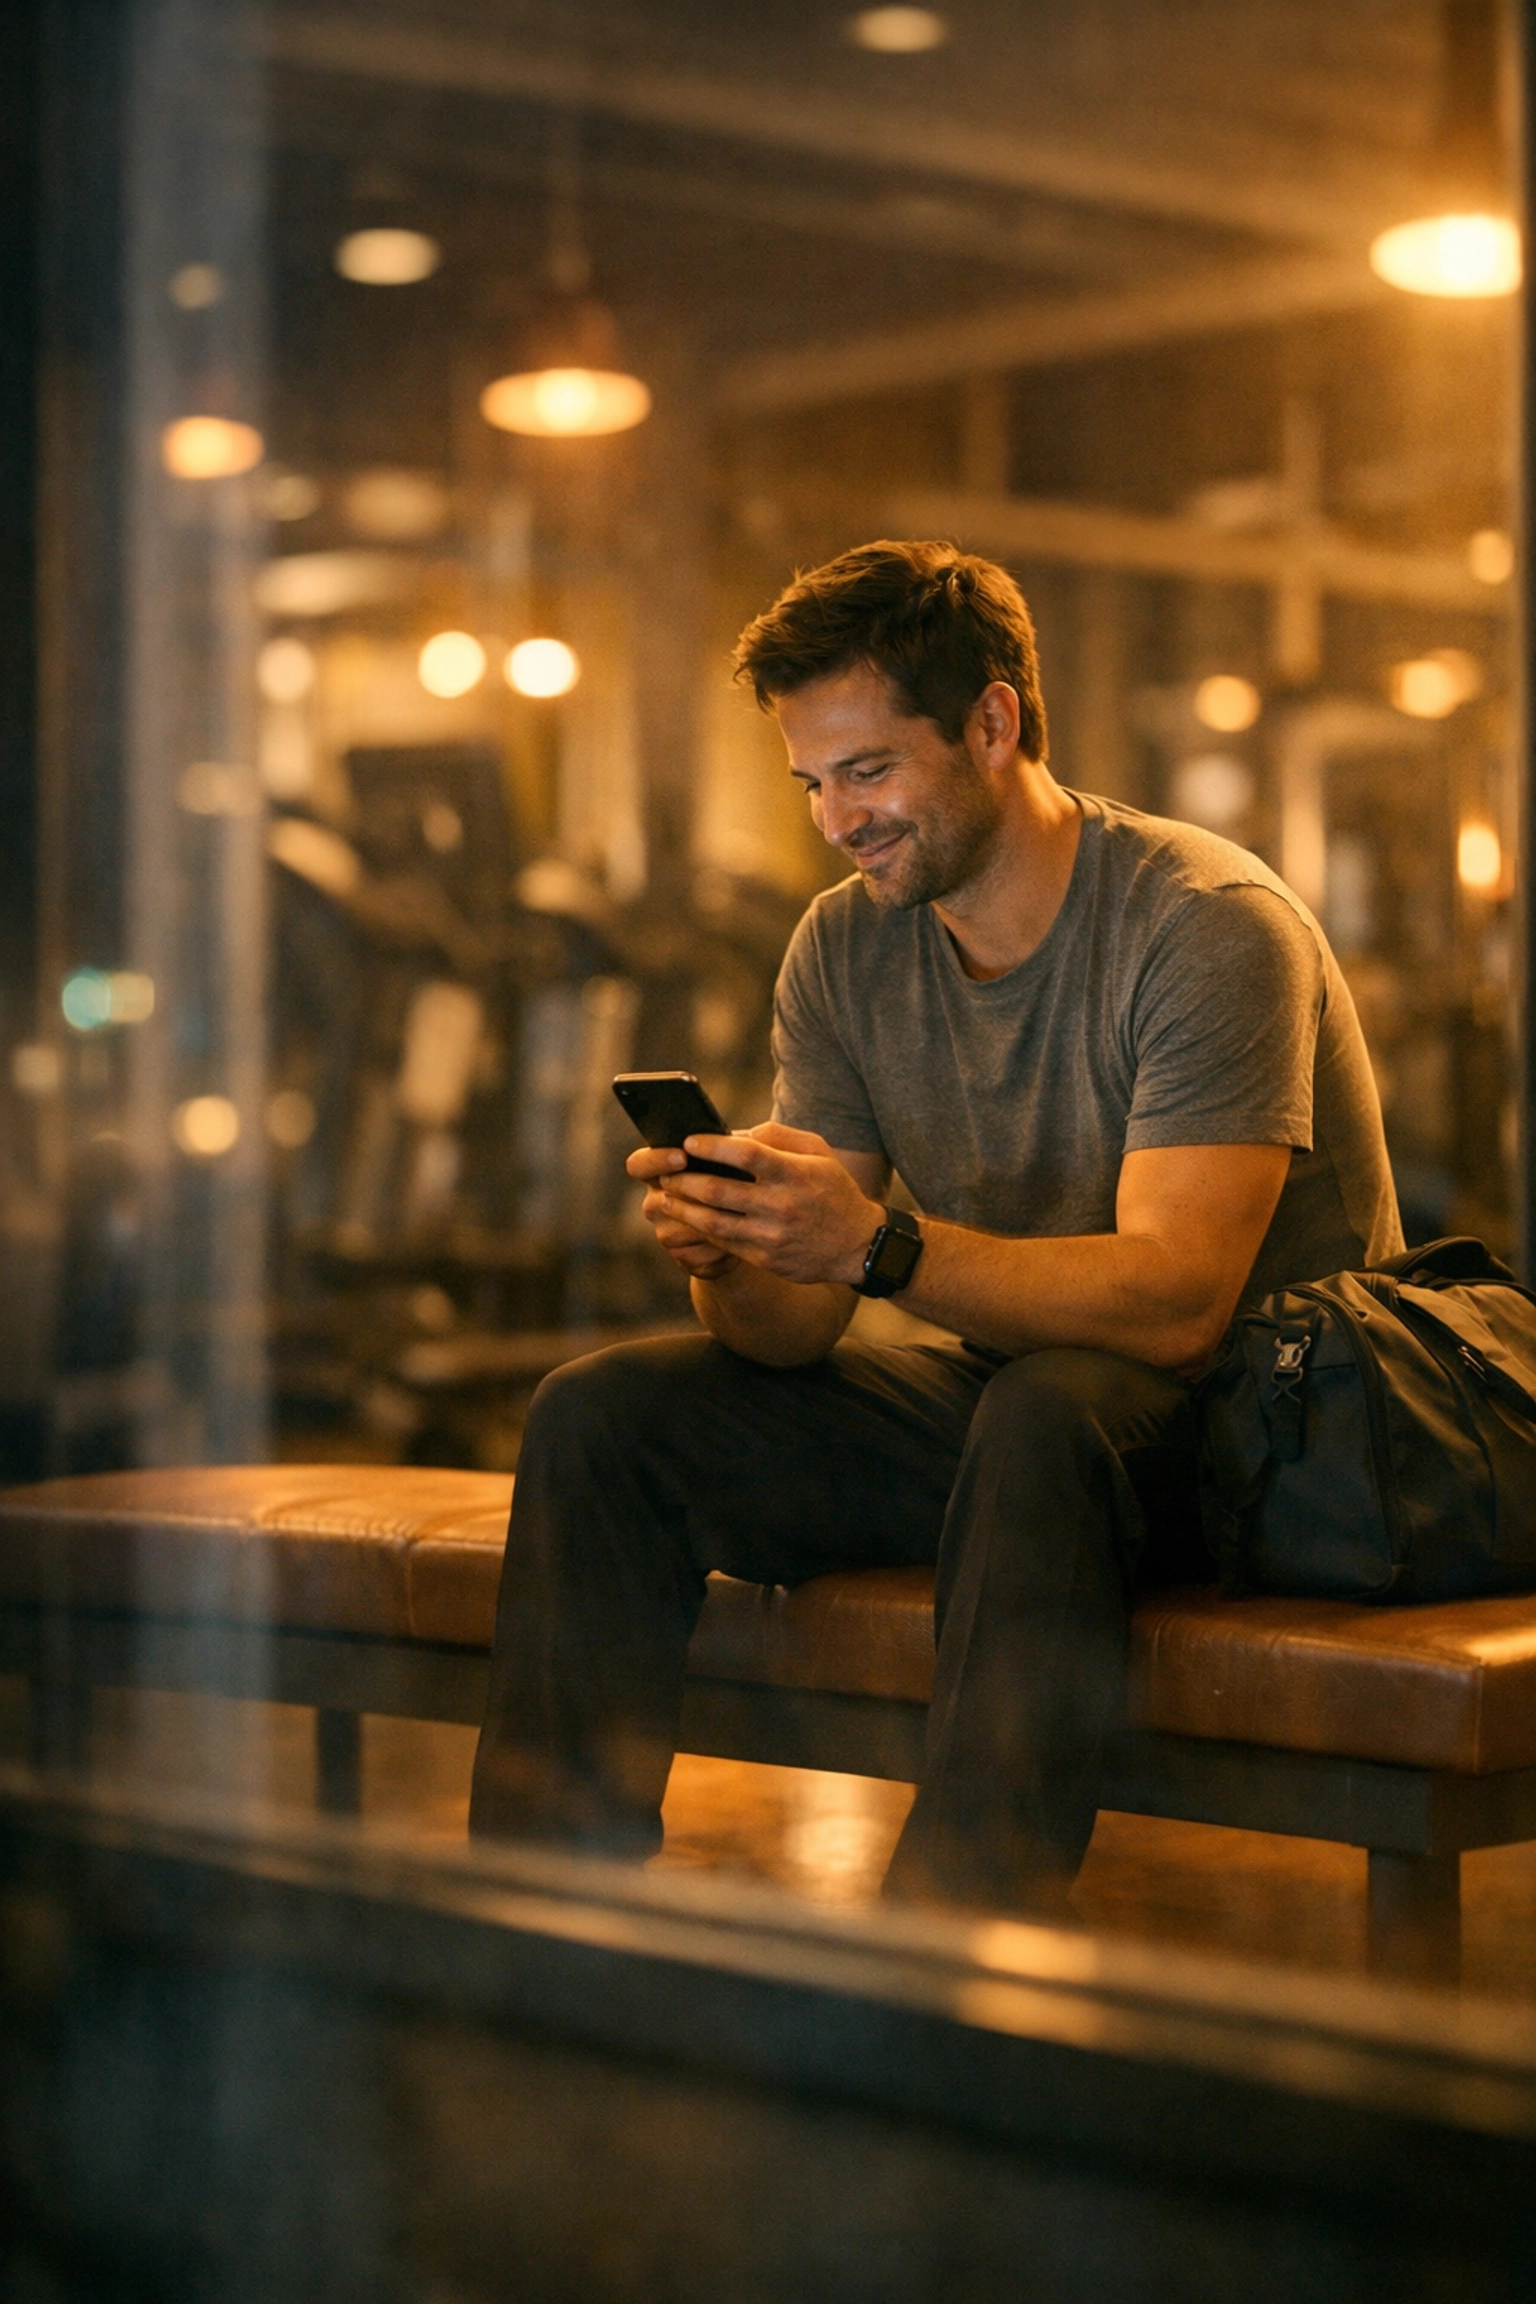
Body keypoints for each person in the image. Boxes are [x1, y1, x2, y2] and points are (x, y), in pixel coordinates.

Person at [469, 540, 1402, 1912]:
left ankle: (949, 1964)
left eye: (868, 771)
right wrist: (738, 1248)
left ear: (993, 721)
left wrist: (872, 1245)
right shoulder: (846, 946)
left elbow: (1179, 1306)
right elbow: (789, 1336)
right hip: (1025, 1416)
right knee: (603, 1415)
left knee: (1048, 1412)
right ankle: (543, 1929)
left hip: (1276, 1434)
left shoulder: (1205, 922)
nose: (838, 821)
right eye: (812, 784)